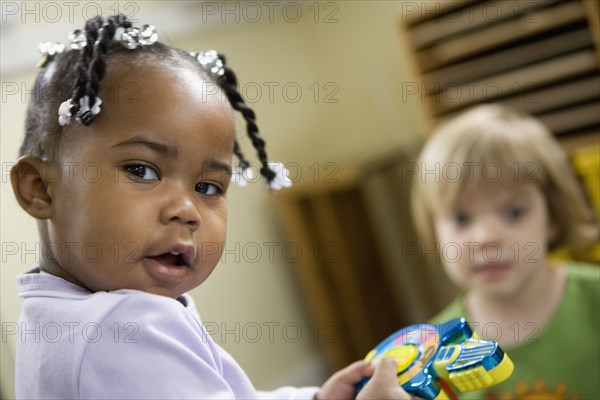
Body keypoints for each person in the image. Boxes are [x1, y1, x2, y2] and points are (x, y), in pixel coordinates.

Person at [10, 14, 411, 400]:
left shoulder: (48, 316)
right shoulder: (126, 326)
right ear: (40, 189)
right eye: (142, 170)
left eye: (207, 186)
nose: (187, 210)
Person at [411, 104, 600, 399]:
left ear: (552, 216)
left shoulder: (594, 299)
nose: (486, 238)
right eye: (461, 219)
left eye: (513, 212)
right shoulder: (429, 355)